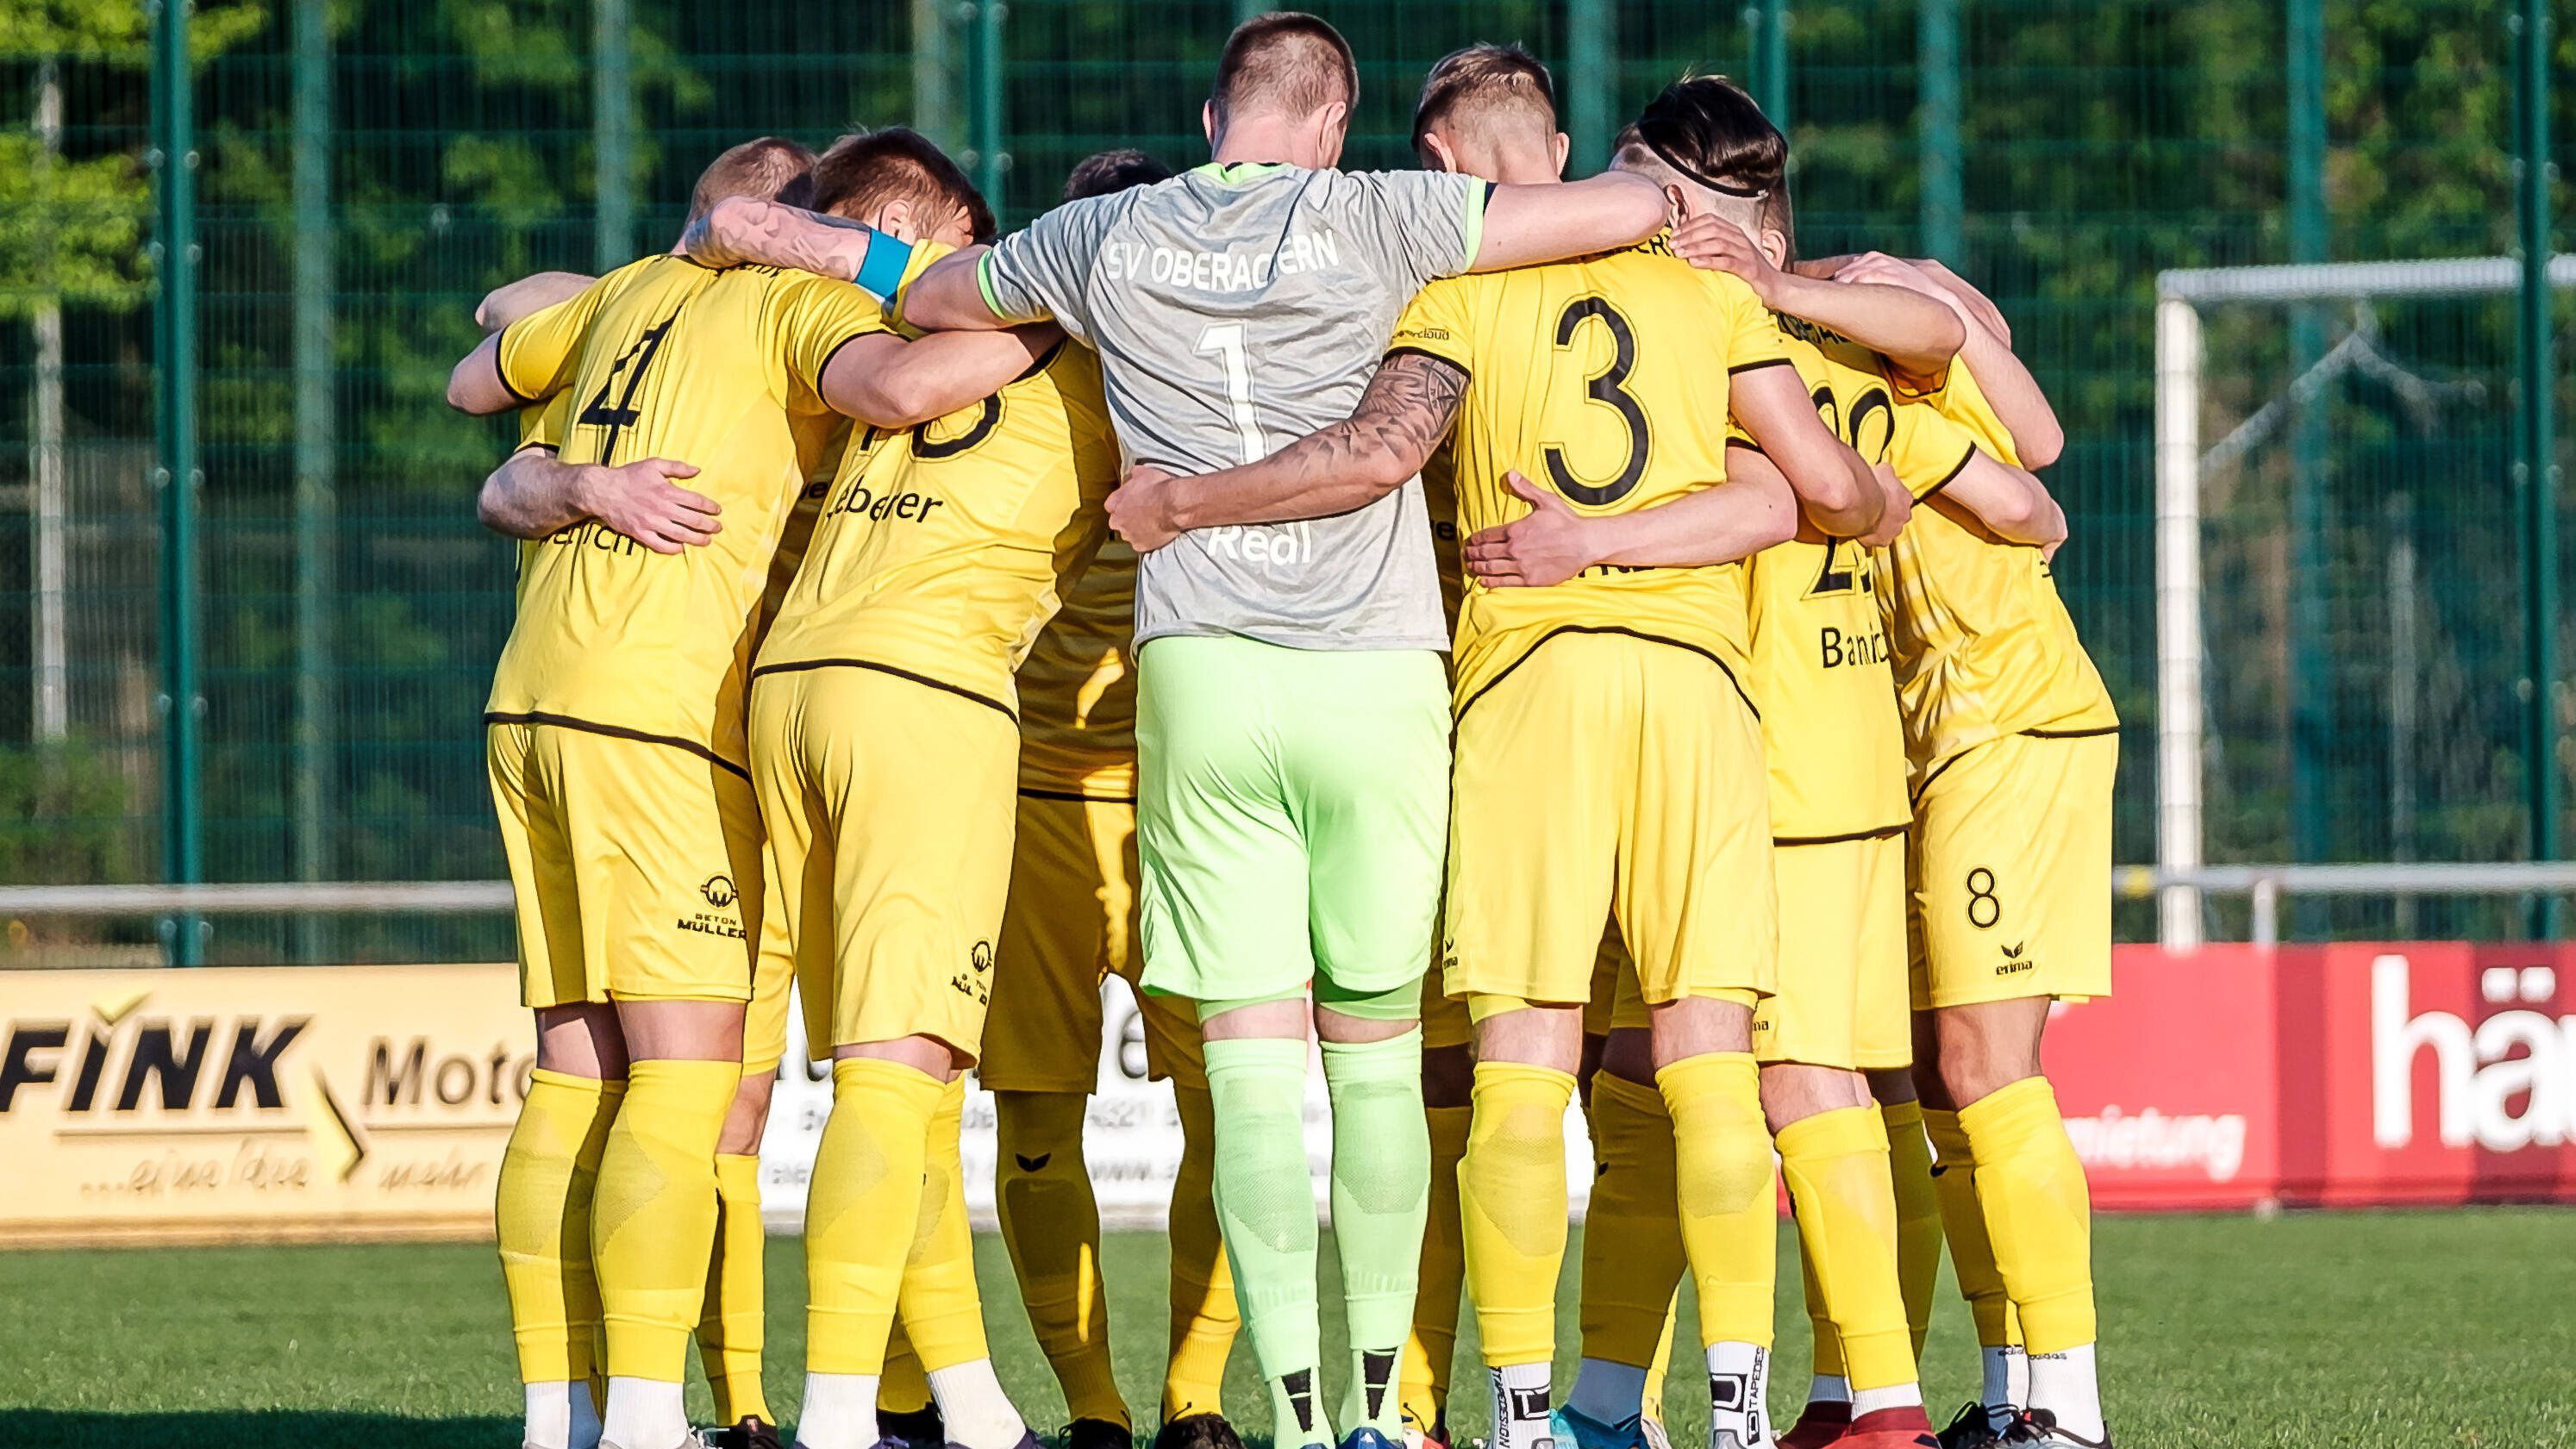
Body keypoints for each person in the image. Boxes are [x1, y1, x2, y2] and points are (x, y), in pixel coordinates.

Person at [685, 16, 1675, 1449]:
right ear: (1332, 125)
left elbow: (917, 283)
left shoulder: (1109, 236)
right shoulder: (1382, 209)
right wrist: (1676, 217)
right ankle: (1380, 1414)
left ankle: (1279, 1410)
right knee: (1380, 1053)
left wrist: (762, 232)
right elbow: (1626, 207)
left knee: (1258, 1059)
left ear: (1215, 119)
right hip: (1374, 672)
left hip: (1201, 673)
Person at [1104, 47, 1901, 1449]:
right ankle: (1737, 1408)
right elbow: (1817, 491)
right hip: (1701, 686)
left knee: (1521, 1062)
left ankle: (1520, 1416)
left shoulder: (1452, 287)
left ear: (1450, 162)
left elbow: (1378, 447)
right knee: (1710, 1058)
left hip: (1525, 681)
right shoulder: (1709, 285)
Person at [446, 128, 1047, 1449]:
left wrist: (556, 475)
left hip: (530, 693)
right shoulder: (800, 305)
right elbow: (896, 388)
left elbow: (476, 372)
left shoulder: (617, 298)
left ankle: (566, 1417)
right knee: (689, 1077)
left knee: (572, 1073)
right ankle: (660, 1421)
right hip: (668, 708)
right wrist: (1060, 308)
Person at [972, 147, 1253, 1449]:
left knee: (1230, 1108)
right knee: (1035, 1121)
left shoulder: (1235, 378)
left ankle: (1195, 1400)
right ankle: (1091, 1409)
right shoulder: (1005, 375)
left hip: (1194, 791)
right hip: (1023, 795)